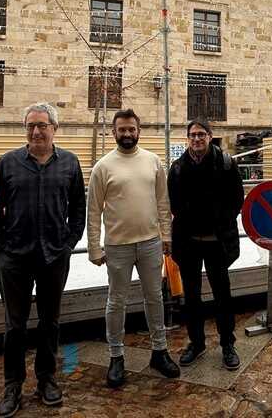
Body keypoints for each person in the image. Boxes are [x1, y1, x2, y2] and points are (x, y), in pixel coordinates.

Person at [0, 102, 85, 418]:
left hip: (54, 256)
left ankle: (47, 379)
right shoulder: (8, 162)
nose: (36, 131)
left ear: (55, 128)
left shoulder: (69, 163)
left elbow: (78, 209)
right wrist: (1, 252)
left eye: (42, 125)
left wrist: (69, 243)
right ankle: (12, 385)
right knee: (14, 326)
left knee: (49, 322)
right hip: (15, 257)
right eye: (31, 125)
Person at [87, 108, 180, 387]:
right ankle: (116, 357)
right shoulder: (103, 167)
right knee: (116, 301)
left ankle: (159, 351)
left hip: (151, 243)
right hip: (117, 247)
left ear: (139, 131)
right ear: (113, 132)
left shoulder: (153, 161)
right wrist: (94, 248)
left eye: (131, 129)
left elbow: (163, 202)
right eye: (122, 129)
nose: (127, 133)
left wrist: (167, 236)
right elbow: (94, 211)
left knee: (154, 298)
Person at [168, 118, 245, 371]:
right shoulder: (177, 168)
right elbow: (172, 203)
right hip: (188, 244)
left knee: (223, 296)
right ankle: (197, 342)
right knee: (191, 298)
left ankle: (227, 344)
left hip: (217, 243)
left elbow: (237, 200)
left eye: (201, 134)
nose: (197, 139)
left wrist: (219, 221)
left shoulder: (226, 164)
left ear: (210, 136)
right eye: (193, 135)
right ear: (187, 138)